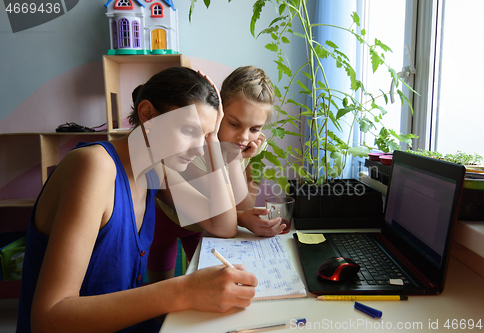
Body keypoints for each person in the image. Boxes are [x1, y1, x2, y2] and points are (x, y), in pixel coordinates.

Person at [16, 67, 257, 333]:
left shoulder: (155, 168)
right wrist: (183, 290)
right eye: (189, 130)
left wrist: (213, 139)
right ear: (147, 114)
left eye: (205, 135)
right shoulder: (94, 166)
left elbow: (223, 226)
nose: (198, 147)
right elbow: (48, 318)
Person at [148, 66, 284, 283]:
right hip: (168, 216)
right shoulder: (193, 148)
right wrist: (228, 158)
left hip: (205, 223)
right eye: (233, 124)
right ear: (219, 113)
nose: (243, 136)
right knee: (161, 273)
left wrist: (235, 159)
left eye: (255, 129)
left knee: (203, 273)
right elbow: (219, 206)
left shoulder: (248, 146)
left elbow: (243, 206)